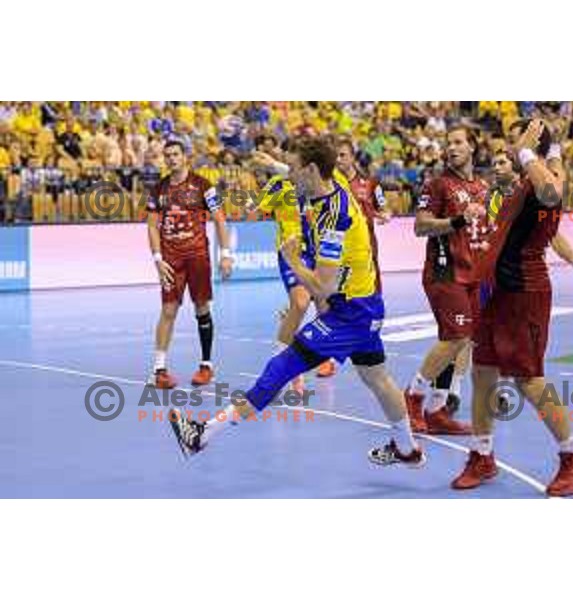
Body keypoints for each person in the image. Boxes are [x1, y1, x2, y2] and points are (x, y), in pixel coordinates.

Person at [169, 137, 425, 468]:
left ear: (312, 170)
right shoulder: (334, 182)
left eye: (293, 169)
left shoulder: (335, 218)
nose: (288, 176)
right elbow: (294, 174)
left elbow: (322, 284)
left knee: (280, 369)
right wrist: (273, 166)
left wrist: (292, 260)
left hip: (350, 313)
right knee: (376, 377)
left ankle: (201, 436)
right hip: (366, 304)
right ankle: (407, 450)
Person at [452, 119, 573, 496]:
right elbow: (554, 169)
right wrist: (550, 149)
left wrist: (530, 151)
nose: (509, 147)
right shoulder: (532, 178)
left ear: (531, 145)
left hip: (524, 292)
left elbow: (551, 190)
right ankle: (482, 456)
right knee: (483, 373)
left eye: (516, 141)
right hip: (496, 291)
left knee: (528, 379)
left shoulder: (543, 183)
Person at [406, 125, 489, 435]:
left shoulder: (481, 186)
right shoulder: (437, 185)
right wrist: (457, 220)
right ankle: (413, 397)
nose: (451, 147)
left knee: (463, 340)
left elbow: (482, 233)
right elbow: (421, 226)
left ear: (472, 147)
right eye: (448, 143)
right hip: (445, 272)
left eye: (458, 142)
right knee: (455, 338)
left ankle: (437, 410)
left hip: (472, 273)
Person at [146, 139, 233, 389]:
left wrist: (225, 254)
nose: (171, 158)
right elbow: (152, 226)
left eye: (175, 154)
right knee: (168, 310)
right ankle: (159, 370)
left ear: (185, 156)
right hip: (171, 259)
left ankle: (206, 366)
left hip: (197, 256)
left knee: (202, 307)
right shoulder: (158, 189)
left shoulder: (203, 185)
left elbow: (219, 219)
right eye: (167, 155)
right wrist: (158, 259)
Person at [252, 145, 337, 389]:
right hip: (291, 253)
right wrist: (258, 204)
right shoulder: (278, 186)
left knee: (324, 306)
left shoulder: (309, 183)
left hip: (316, 250)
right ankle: (280, 368)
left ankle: (319, 358)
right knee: (300, 303)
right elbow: (256, 213)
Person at [335, 138, 389, 294]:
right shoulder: (330, 183)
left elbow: (383, 207)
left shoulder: (370, 182)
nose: (338, 160)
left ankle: (376, 306)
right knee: (338, 280)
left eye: (342, 155)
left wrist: (384, 215)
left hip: (366, 239)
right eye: (335, 156)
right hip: (340, 240)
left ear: (352, 157)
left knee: (371, 272)